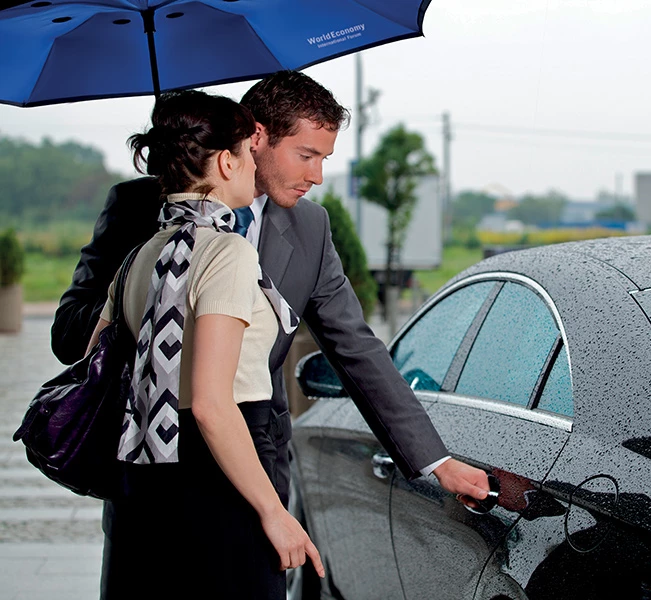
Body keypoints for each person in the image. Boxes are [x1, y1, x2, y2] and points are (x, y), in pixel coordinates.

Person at [51, 71, 490, 594]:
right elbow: (68, 333)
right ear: (254, 138)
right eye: (307, 155)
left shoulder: (310, 227)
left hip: (252, 465)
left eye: (325, 158)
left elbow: (356, 347)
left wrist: (434, 460)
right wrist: (155, 308)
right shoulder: (140, 214)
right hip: (148, 466)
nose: (318, 175)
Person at [87, 89, 322, 598]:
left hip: (144, 478)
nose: (251, 163)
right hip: (224, 475)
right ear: (225, 161)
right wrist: (274, 512)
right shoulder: (226, 252)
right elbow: (213, 405)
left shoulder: (140, 254)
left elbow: (97, 364)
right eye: (245, 152)